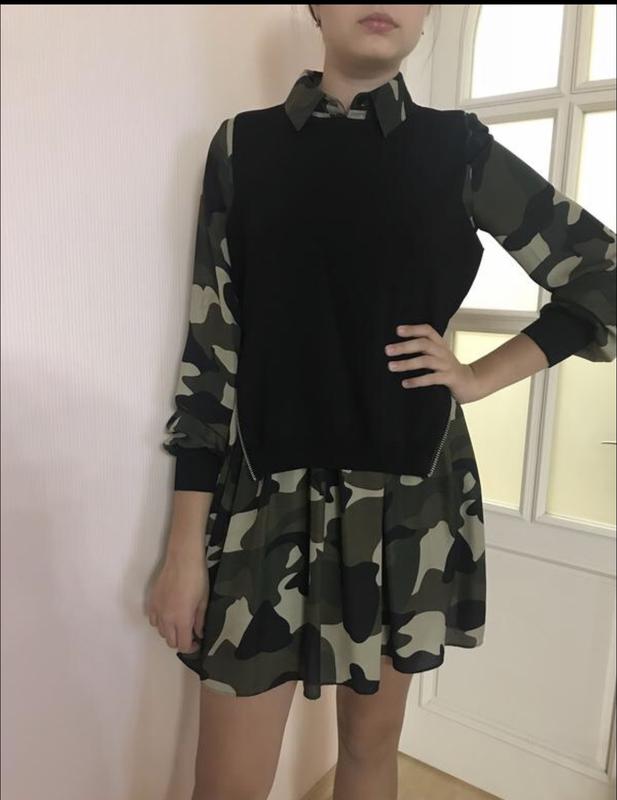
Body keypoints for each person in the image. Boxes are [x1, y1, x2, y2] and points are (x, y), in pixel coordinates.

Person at [147, 5, 616, 799]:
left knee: (369, 751)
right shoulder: (242, 147)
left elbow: (599, 273)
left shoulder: (456, 149)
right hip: (263, 501)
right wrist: (184, 548)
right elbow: (210, 346)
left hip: (407, 503)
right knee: (226, 786)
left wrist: (479, 375)